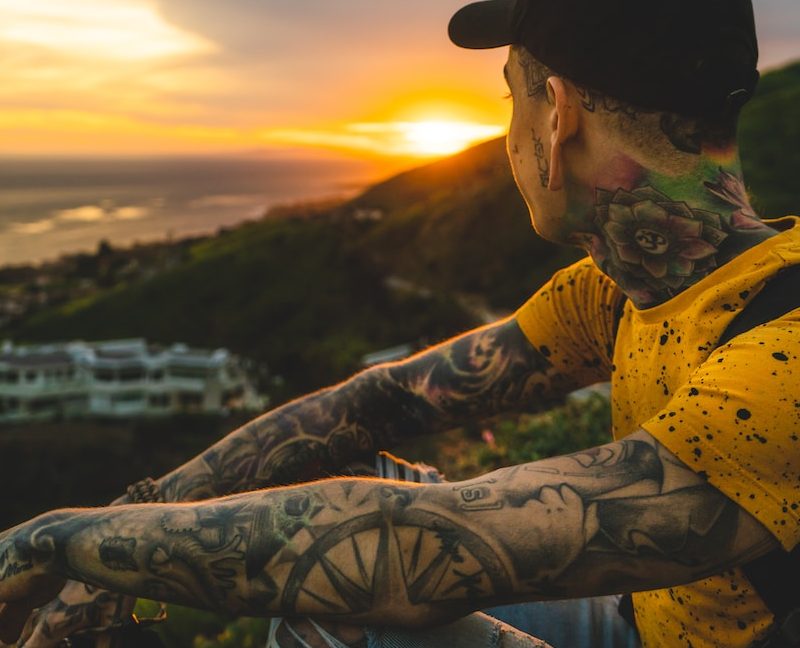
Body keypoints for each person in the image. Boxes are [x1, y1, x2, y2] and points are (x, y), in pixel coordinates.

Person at [1, 0, 798, 646]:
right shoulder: (620, 293)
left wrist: (54, 541)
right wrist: (123, 527)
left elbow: (407, 552)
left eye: (510, 98)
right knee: (331, 491)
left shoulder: (782, 358)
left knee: (343, 593)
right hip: (642, 616)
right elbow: (380, 402)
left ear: (557, 120)